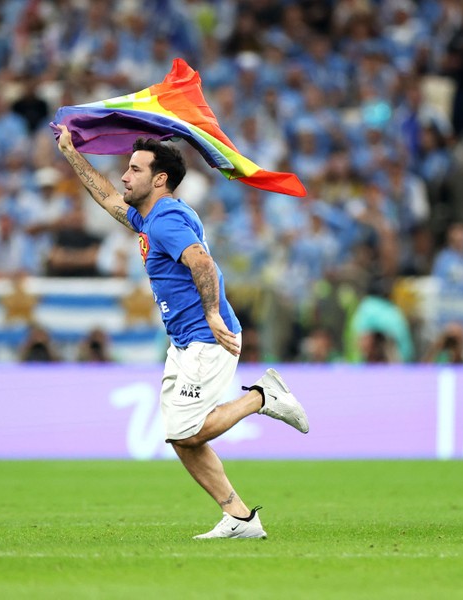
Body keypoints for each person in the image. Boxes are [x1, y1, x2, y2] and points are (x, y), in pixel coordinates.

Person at [55, 125, 309, 539]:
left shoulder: (166, 220)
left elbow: (203, 264)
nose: (124, 176)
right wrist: (70, 152)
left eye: (134, 169)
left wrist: (211, 314)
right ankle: (240, 519)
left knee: (186, 431)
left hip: (208, 338)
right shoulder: (151, 216)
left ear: (160, 179)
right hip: (186, 340)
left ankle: (263, 397)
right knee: (181, 438)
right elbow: (104, 198)